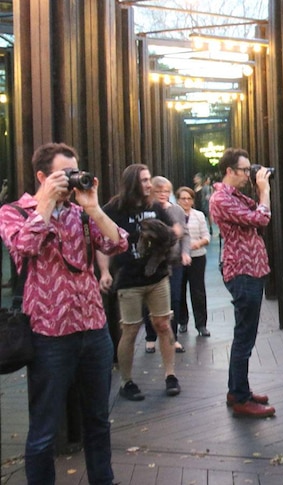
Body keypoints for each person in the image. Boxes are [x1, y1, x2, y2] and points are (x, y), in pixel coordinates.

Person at [0, 142, 129, 484]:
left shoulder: (80, 214)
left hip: (93, 328)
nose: (72, 181)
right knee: (43, 429)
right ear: (42, 176)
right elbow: (24, 246)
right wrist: (45, 203)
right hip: (48, 334)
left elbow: (119, 244)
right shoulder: (15, 212)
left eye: (75, 172)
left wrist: (95, 209)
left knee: (98, 421)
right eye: (64, 174)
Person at [100, 164, 182, 400]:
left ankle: (170, 375)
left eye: (149, 180)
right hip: (128, 279)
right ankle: (126, 382)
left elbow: (174, 227)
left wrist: (170, 236)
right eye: (145, 180)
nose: (149, 184)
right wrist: (105, 271)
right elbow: (101, 240)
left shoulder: (155, 206)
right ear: (132, 183)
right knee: (130, 329)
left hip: (157, 277)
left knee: (163, 324)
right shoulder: (114, 208)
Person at [210, 148, 276, 418]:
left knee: (245, 335)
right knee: (243, 337)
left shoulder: (235, 196)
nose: (249, 174)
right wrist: (264, 191)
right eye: (244, 170)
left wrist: (258, 184)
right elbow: (261, 218)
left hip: (252, 269)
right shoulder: (220, 198)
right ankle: (239, 397)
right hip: (243, 270)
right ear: (229, 171)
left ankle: (239, 390)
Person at [142, 176, 190, 353]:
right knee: (150, 301)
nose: (163, 194)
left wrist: (185, 252)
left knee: (175, 299)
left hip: (174, 261)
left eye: (166, 191)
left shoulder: (176, 210)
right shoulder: (148, 210)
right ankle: (150, 337)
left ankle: (173, 338)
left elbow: (184, 234)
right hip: (154, 262)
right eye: (159, 191)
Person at [176, 185, 210, 336]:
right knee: (180, 290)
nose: (186, 201)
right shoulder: (172, 216)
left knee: (198, 291)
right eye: (183, 198)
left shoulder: (199, 216)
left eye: (189, 198)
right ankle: (182, 321)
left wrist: (197, 243)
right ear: (177, 200)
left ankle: (201, 324)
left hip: (197, 257)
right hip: (178, 259)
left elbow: (207, 237)